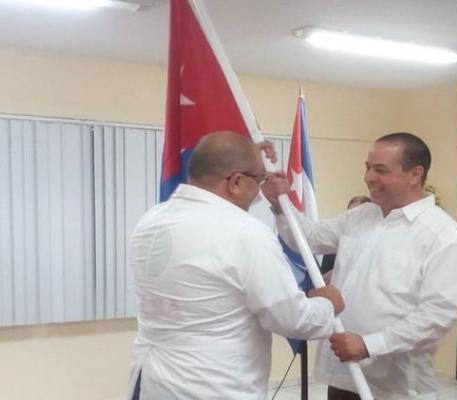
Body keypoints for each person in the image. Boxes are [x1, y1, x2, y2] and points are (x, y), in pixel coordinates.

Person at [127, 131, 345, 400]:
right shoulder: (245, 233)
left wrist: (246, 158)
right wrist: (328, 304)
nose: (260, 189)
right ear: (236, 181)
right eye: (259, 179)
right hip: (212, 385)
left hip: (151, 381)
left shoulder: (152, 219)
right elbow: (294, 319)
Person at [264, 132, 457, 400]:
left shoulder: (444, 237)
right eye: (368, 167)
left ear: (415, 174)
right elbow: (309, 238)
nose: (368, 177)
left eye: (380, 170)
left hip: (396, 388)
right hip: (344, 374)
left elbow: (436, 316)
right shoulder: (362, 216)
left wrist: (369, 345)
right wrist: (281, 206)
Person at [320, 195, 372, 274]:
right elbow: (320, 282)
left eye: (359, 214)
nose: (354, 218)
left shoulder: (378, 245)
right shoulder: (333, 247)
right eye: (350, 214)